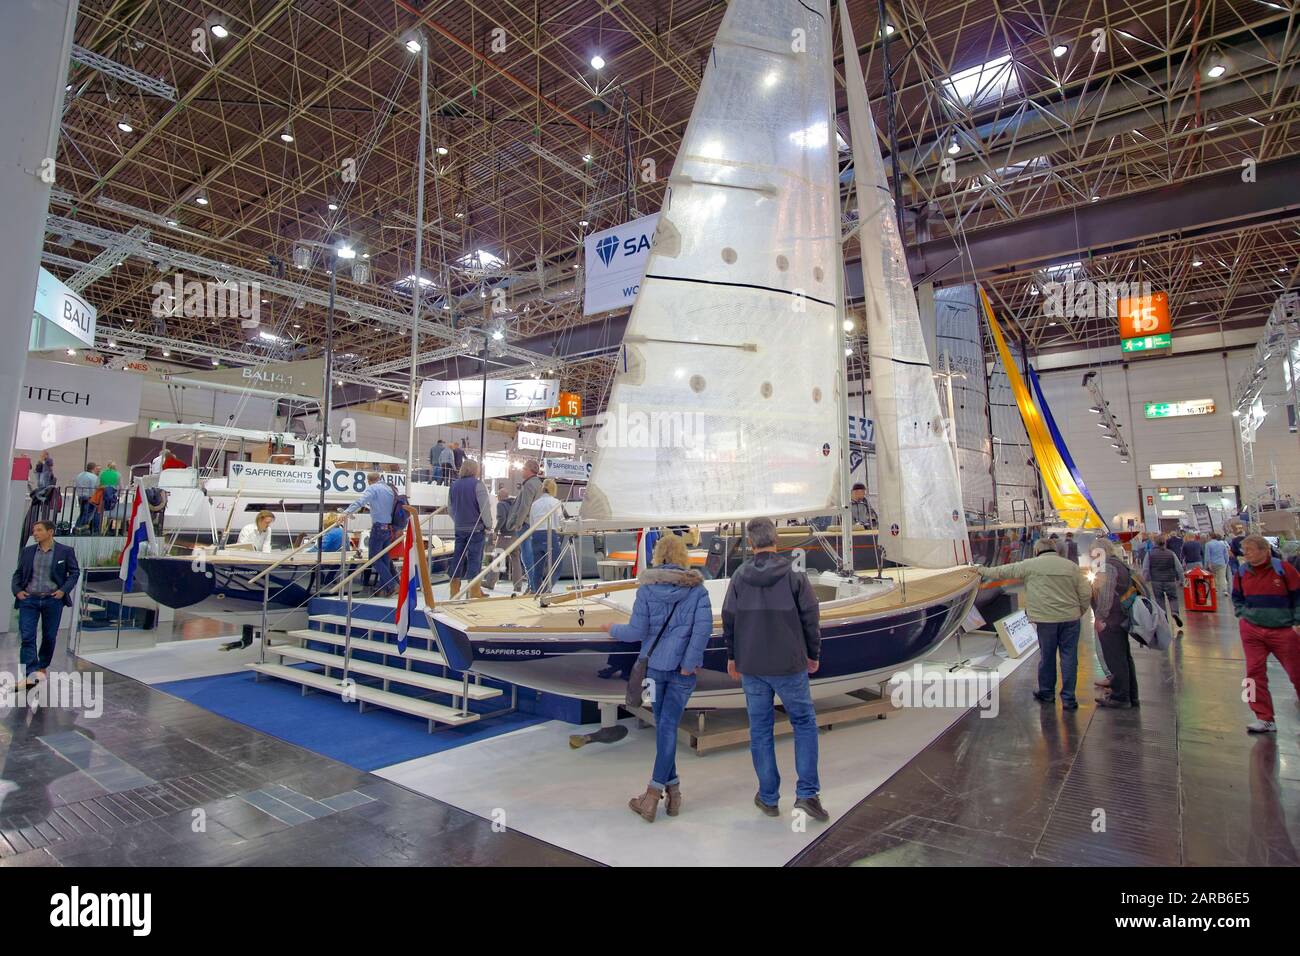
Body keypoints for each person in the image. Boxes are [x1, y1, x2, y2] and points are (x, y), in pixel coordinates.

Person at [724, 516, 828, 822]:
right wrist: (813, 653)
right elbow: (811, 615)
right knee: (804, 724)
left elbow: (729, 618)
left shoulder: (740, 576)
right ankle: (807, 795)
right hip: (789, 664)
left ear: (750, 543)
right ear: (776, 541)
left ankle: (768, 797)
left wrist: (732, 657)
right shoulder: (794, 574)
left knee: (760, 730)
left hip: (752, 665)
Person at [604, 534, 713, 822]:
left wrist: (610, 628)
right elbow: (702, 632)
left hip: (654, 668)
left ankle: (652, 796)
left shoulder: (647, 590)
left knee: (664, 729)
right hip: (682, 672)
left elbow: (635, 632)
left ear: (658, 556)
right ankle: (673, 793)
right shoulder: (698, 591)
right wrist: (689, 664)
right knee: (667, 728)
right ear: (682, 556)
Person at [977, 537, 1092, 709]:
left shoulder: (1030, 565)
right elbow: (1085, 592)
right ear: (1055, 550)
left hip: (1046, 621)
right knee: (1069, 658)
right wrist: (1079, 611)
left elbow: (1002, 571)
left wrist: (980, 570)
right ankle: (1068, 698)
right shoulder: (1071, 567)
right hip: (1070, 619)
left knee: (1047, 657)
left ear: (1037, 550)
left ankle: (1047, 693)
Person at [1231, 534, 1300, 734]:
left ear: (1264, 550)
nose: (1247, 555)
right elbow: (1237, 597)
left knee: (1296, 672)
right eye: (1245, 551)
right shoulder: (1242, 572)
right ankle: (1263, 717)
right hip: (1252, 630)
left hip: (1283, 630)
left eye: (1251, 550)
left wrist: (1297, 621)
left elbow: (1298, 596)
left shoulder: (1284, 569)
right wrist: (1242, 614)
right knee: (1252, 674)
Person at [11, 520, 80, 689]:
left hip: (52, 601)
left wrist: (63, 590)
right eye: (34, 531)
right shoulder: (27, 552)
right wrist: (18, 591)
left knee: (49, 637)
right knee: (27, 637)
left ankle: (42, 668)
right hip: (29, 600)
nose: (35, 533)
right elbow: (18, 574)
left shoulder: (65, 551)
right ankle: (30, 674)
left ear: (50, 532)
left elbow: (74, 572)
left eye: (39, 530)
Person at [1092, 538, 1139, 709]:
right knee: (1124, 658)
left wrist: (1100, 617)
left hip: (1111, 620)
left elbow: (1105, 595)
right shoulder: (1120, 564)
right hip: (1121, 617)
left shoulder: (1108, 566)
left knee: (1115, 658)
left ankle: (1120, 697)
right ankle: (1130, 694)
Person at [344, 473, 399, 596]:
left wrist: (346, 513)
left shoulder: (373, 488)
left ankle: (392, 584)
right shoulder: (389, 488)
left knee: (374, 558)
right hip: (389, 528)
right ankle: (388, 587)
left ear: (369, 481)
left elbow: (360, 502)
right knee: (384, 559)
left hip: (378, 528)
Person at [448, 458, 492, 599]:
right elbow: (484, 508)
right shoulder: (478, 485)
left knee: (457, 558)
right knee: (475, 559)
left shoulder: (453, 485)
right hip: (476, 529)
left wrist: (458, 521)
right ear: (475, 470)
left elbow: (450, 508)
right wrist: (489, 525)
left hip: (459, 528)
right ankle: (474, 592)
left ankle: (454, 592)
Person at [504, 460, 544, 592]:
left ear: (529, 470)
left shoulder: (529, 485)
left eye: (524, 468)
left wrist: (519, 523)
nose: (522, 471)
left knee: (526, 556)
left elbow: (525, 506)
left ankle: (533, 586)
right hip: (535, 524)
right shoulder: (538, 484)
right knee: (530, 555)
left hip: (526, 524)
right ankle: (533, 585)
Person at [528, 479, 566, 589]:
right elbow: (560, 522)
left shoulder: (535, 504)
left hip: (535, 536)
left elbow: (531, 522)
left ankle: (537, 591)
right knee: (556, 566)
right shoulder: (555, 502)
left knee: (537, 569)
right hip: (549, 535)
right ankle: (545, 590)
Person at [1141, 534, 1185, 615]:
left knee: (1159, 599)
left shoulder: (1150, 554)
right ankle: (1175, 612)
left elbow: (1145, 569)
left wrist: (1145, 580)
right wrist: (1182, 580)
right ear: (1165, 543)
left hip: (1156, 581)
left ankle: (1163, 616)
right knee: (1173, 598)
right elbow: (1179, 568)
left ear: (1154, 543)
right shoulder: (1171, 553)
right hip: (1170, 580)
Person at [73, 462, 99, 533]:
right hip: (90, 497)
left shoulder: (80, 475)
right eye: (96, 468)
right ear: (93, 468)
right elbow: (96, 487)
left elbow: (75, 484)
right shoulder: (94, 477)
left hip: (80, 496)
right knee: (87, 514)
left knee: (82, 513)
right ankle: (81, 528)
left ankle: (77, 527)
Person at [1205, 531, 1230, 596]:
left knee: (1214, 577)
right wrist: (1226, 561)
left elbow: (1207, 555)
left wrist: (1208, 564)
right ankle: (1225, 590)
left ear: (1210, 537)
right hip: (1221, 562)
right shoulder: (1222, 544)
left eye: (1207, 537)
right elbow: (1226, 554)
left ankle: (1215, 589)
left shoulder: (1208, 544)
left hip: (1213, 563)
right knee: (1222, 577)